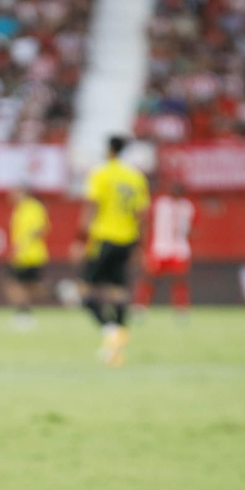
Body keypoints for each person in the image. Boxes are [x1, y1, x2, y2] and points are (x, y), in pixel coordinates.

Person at [71, 135, 149, 366]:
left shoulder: (101, 173)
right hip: (127, 239)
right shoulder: (136, 177)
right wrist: (139, 247)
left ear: (109, 150)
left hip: (104, 238)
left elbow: (92, 207)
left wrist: (80, 240)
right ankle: (117, 343)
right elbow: (142, 215)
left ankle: (110, 331)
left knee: (83, 291)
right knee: (119, 292)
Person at [138, 181, 195, 317]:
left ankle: (181, 308)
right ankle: (140, 306)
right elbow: (147, 221)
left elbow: (193, 229)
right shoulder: (161, 204)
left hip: (179, 249)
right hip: (161, 247)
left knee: (179, 279)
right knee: (150, 278)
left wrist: (189, 232)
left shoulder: (187, 207)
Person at [5, 183, 49, 331]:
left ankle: (23, 315)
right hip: (26, 254)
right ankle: (59, 293)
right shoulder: (20, 208)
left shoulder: (32, 207)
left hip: (28, 254)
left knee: (14, 285)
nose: (11, 195)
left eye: (15, 191)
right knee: (30, 286)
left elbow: (40, 228)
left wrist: (23, 244)